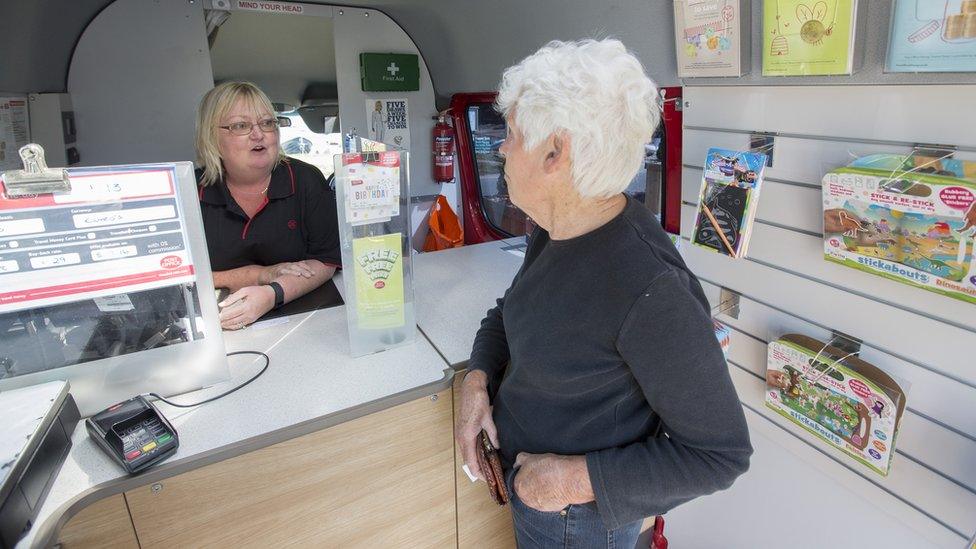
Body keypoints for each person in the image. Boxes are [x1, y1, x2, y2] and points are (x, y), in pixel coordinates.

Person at [454, 39, 752, 548]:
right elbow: (514, 311)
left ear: (556, 152)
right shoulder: (556, 229)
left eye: (512, 134)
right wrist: (478, 381)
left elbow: (721, 454)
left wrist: (569, 480)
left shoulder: (652, 291)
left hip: (572, 518)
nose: (501, 148)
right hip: (533, 490)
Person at [195, 81, 340, 330]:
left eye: (267, 123)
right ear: (212, 136)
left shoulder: (306, 179)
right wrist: (260, 274)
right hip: (218, 324)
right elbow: (175, 278)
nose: (258, 134)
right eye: (241, 125)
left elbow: (327, 261)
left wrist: (271, 294)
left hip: (301, 320)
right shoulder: (192, 190)